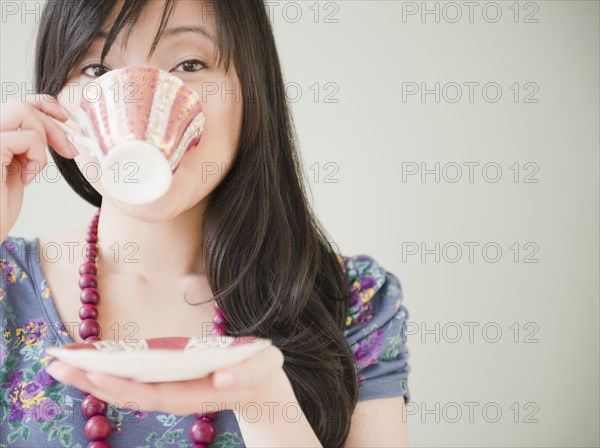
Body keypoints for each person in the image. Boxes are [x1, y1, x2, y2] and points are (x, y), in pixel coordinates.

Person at [0, 1, 411, 446]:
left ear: (251, 90)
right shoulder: (8, 285)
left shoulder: (351, 299)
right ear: (54, 104)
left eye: (189, 63)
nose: (143, 106)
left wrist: (263, 402)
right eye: (97, 70)